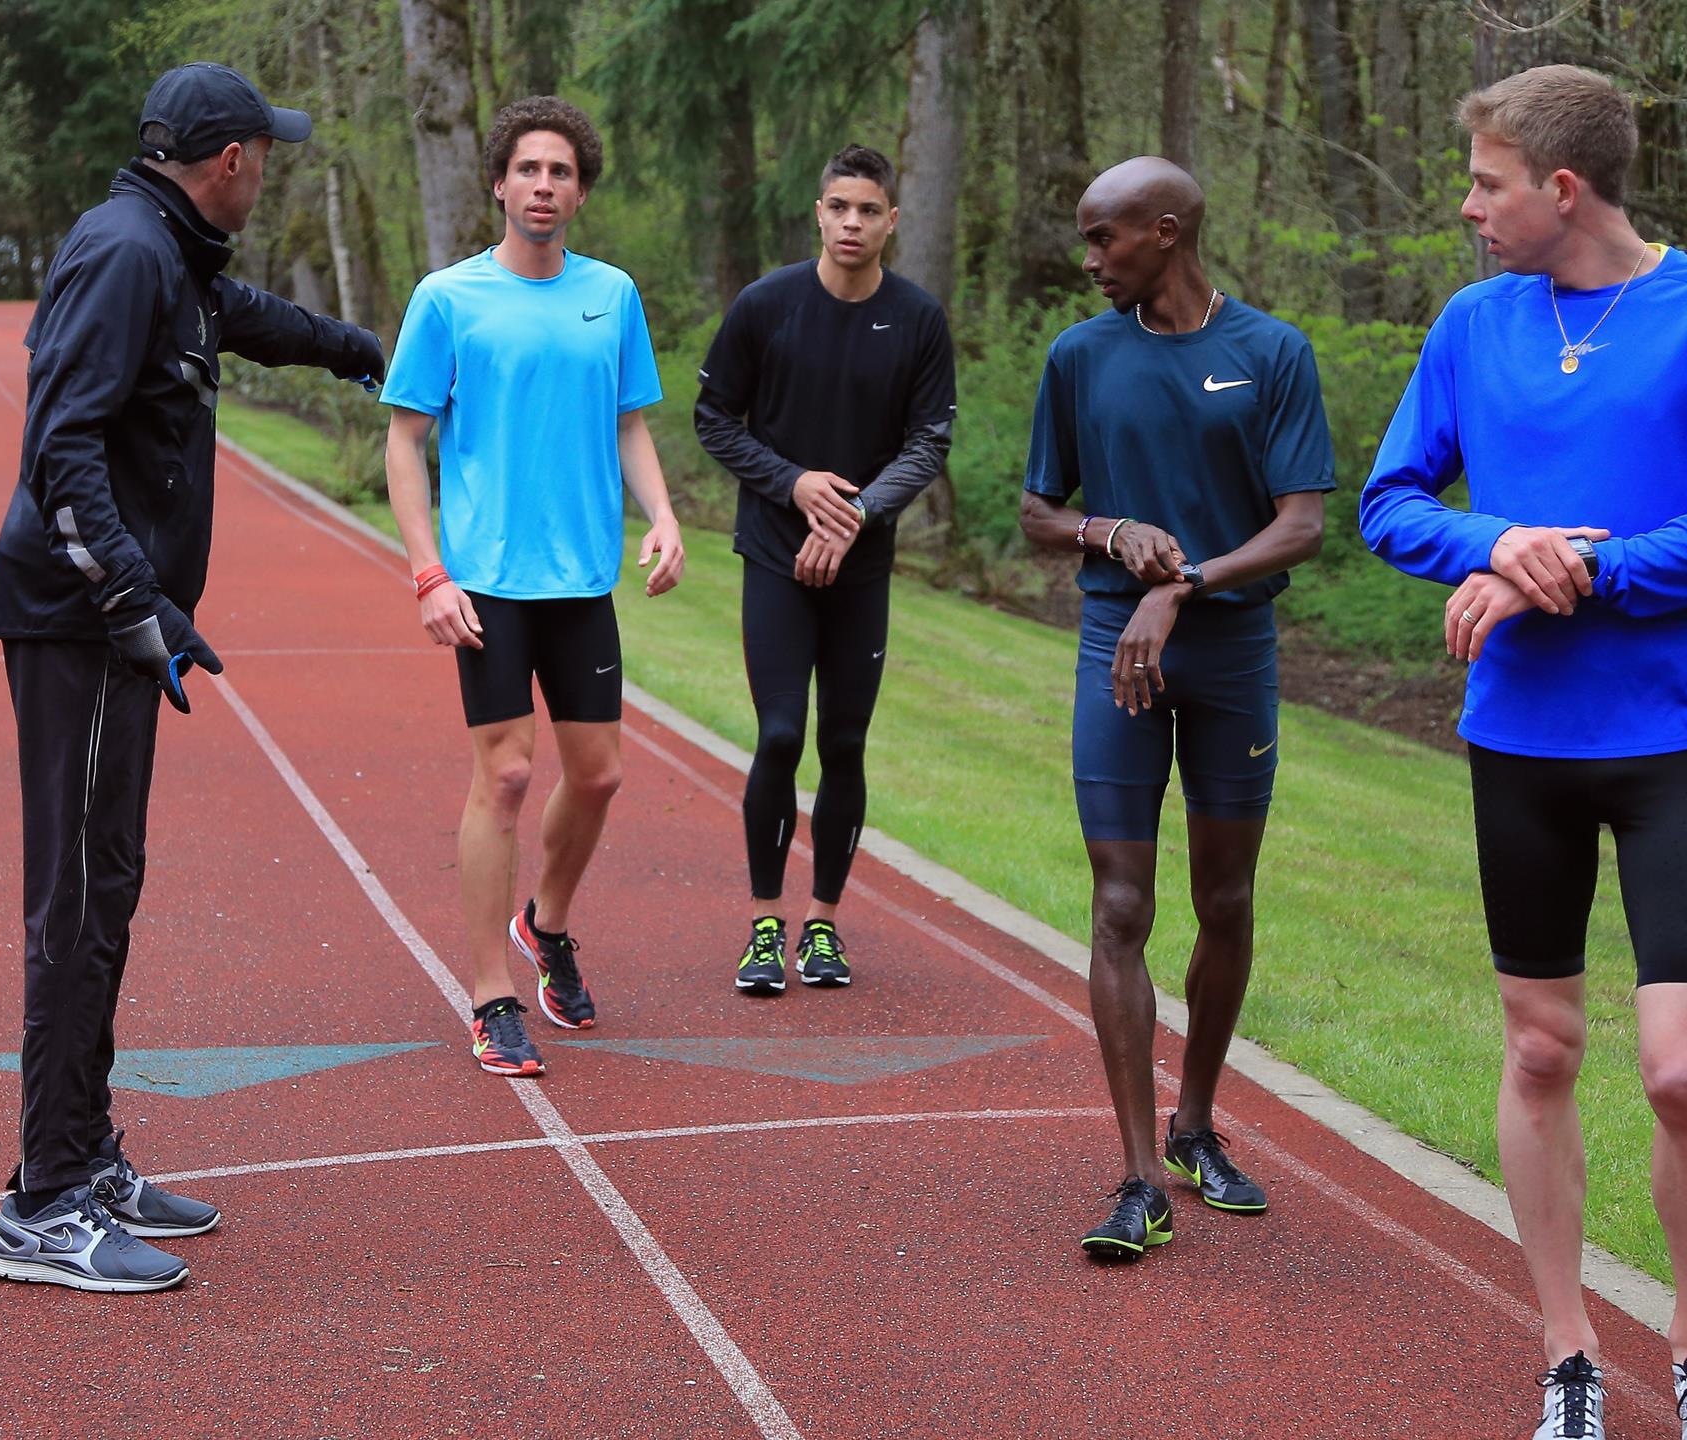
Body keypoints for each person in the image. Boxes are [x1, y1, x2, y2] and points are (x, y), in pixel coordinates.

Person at [1358, 65, 1687, 1440]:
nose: (1468, 207)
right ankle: (1567, 1357)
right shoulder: (1474, 323)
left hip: (1677, 731)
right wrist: (1495, 540)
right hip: (1521, 738)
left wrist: (1576, 569)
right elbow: (1389, 500)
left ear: (1560, 188)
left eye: (1485, 183)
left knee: (1681, 1070)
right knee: (1541, 1048)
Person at [0, 62, 384, 1293]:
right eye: (267, 154)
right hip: (81, 624)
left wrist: (359, 351)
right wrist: (132, 602)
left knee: (108, 888)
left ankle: (82, 1153)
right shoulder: (127, 254)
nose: (269, 172)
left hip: (111, 622)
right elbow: (60, 449)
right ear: (230, 160)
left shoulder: (170, 248)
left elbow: (246, 316)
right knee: (76, 906)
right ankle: (43, 1205)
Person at [1017, 157, 1332, 1262]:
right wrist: (1110, 534)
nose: (1089, 260)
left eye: (1103, 238)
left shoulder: (1272, 351)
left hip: (1231, 652)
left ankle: (1197, 1125)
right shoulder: (1080, 354)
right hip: (1117, 651)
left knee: (1225, 897)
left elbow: (1301, 525)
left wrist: (1185, 583)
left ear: (1165, 231)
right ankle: (1140, 1176)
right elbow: (1038, 511)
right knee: (1119, 904)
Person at [381, 96, 684, 1078]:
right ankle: (490, 996)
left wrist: (663, 515)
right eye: (528, 170)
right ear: (498, 184)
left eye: (561, 172)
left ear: (580, 192)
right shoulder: (448, 298)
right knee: (507, 775)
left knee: (598, 775)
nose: (543, 186)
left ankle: (544, 924)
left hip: (582, 579)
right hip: (488, 582)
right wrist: (428, 573)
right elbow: (404, 440)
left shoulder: (613, 296)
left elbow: (630, 422)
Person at [694, 144, 955, 995]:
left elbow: (929, 441)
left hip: (862, 564)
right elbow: (715, 418)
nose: (852, 223)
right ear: (819, 212)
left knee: (843, 741)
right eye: (839, 207)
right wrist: (796, 484)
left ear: (892, 221)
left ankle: (824, 926)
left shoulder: (917, 319)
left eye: (868, 210)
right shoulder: (767, 305)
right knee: (779, 733)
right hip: (776, 553)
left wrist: (857, 514)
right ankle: (765, 924)